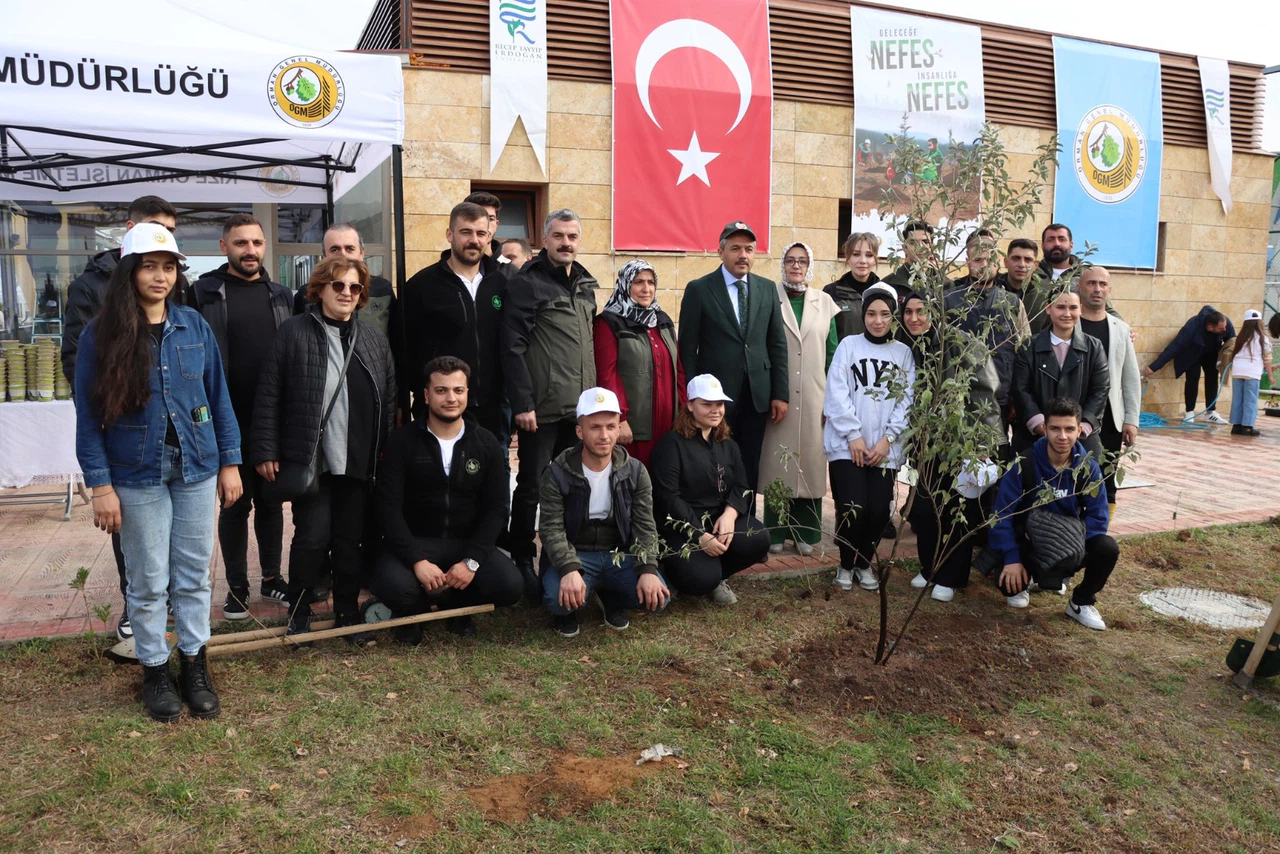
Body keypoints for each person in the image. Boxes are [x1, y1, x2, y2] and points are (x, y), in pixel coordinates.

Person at [74, 223, 242, 722]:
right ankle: (154, 670)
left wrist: (230, 462)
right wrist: (100, 485)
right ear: (129, 271)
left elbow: (219, 398)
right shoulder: (99, 335)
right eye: (149, 265)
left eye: (168, 267)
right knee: (148, 581)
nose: (160, 276)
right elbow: (87, 415)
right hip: (136, 472)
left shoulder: (194, 326)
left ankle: (194, 665)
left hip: (196, 466)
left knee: (192, 576)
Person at [250, 256, 397, 638]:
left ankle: (347, 614)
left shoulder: (373, 338)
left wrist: (386, 453)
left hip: (359, 460)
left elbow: (391, 397)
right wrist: (266, 449)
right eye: (339, 285)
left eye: (355, 287)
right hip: (312, 459)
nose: (347, 293)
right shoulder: (293, 332)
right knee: (312, 538)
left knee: (350, 542)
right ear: (320, 289)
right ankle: (299, 613)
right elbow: (269, 393)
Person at [61, 195, 178, 642]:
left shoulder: (170, 284)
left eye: (168, 228)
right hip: (124, 424)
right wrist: (108, 411)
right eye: (152, 225)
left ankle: (165, 600)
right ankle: (137, 603)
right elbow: (78, 359)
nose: (161, 235)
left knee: (169, 526)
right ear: (129, 228)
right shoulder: (93, 286)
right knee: (133, 526)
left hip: (169, 426)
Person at [370, 356, 522, 642]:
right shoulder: (402, 442)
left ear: (467, 393)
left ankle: (458, 606)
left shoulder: (486, 442)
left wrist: (472, 562)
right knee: (394, 585)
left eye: (458, 390)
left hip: (465, 543)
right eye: (441, 390)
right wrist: (417, 561)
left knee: (509, 585)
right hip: (414, 542)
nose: (451, 398)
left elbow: (494, 510)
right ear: (427, 395)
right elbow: (387, 508)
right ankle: (413, 613)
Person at [188, 213, 293, 619]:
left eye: (256, 243)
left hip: (272, 422)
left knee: (271, 504)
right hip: (222, 419)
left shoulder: (283, 295)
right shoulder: (202, 294)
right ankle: (236, 588)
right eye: (241, 243)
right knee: (234, 506)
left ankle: (271, 580)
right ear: (224, 247)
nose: (250, 250)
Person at [503, 209, 599, 591]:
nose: (566, 243)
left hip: (578, 411)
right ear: (545, 239)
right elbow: (512, 347)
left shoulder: (586, 285)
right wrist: (523, 403)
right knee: (531, 487)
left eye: (572, 236)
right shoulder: (527, 284)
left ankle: (559, 559)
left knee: (572, 486)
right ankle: (522, 557)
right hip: (540, 411)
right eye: (558, 236)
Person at [897, 289, 1006, 601]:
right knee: (924, 510)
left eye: (922, 311)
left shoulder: (962, 343)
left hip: (962, 444)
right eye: (909, 312)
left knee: (956, 510)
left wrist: (980, 443)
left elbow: (985, 394)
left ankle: (951, 576)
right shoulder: (909, 345)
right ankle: (929, 568)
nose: (915, 318)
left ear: (936, 313)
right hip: (927, 446)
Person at [539, 388, 669, 638]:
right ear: (580, 431)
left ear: (619, 429)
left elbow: (645, 525)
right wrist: (567, 568)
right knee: (557, 600)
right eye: (595, 427)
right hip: (576, 551)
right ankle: (568, 609)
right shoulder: (556, 472)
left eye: (611, 426)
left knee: (657, 599)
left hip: (618, 554)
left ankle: (609, 595)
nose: (604, 435)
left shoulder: (635, 471)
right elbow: (551, 528)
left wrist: (648, 568)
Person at [677, 221, 789, 501]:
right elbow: (688, 349)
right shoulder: (700, 289)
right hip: (714, 398)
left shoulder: (766, 289)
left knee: (749, 463)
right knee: (715, 461)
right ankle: (716, 521)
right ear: (720, 251)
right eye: (735, 248)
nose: (743, 255)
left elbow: (776, 343)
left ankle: (745, 524)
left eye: (749, 249)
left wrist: (780, 393)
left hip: (756, 394)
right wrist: (690, 396)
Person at [990, 397, 1116, 630]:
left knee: (1107, 548)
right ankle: (1028, 578)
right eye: (1055, 428)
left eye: (1069, 429)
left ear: (1079, 430)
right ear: (1045, 429)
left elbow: (1098, 516)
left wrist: (1073, 548)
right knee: (1010, 588)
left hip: (1069, 544)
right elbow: (1002, 514)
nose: (1062, 436)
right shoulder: (1024, 463)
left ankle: (1080, 602)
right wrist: (1012, 558)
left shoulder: (1088, 467)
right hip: (1029, 543)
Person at [823, 283, 915, 592]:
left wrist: (887, 440)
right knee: (852, 507)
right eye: (872, 314)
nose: (878, 321)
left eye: (885, 314)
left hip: (883, 448)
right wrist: (853, 436)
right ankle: (846, 565)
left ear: (894, 317)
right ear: (863, 315)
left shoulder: (902, 353)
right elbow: (836, 392)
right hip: (847, 446)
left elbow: (907, 400)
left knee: (878, 510)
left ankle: (864, 564)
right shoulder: (849, 346)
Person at [650, 374, 771, 603]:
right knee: (700, 579)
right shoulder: (671, 445)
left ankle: (718, 577)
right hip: (682, 527)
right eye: (707, 404)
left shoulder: (728, 443)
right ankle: (680, 574)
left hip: (718, 520)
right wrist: (698, 536)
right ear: (690, 405)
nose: (715, 410)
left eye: (719, 404)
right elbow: (669, 498)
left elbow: (742, 486)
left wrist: (729, 514)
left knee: (758, 538)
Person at [400, 202, 508, 440]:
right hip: (437, 410)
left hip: (491, 410)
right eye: (465, 232)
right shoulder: (421, 286)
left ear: (489, 236)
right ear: (450, 235)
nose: (474, 240)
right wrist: (421, 391)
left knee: (491, 475)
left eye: (481, 233)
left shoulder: (501, 285)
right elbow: (403, 347)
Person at [761, 242, 839, 555]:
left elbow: (833, 351)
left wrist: (833, 398)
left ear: (810, 265)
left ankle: (806, 532)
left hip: (815, 395)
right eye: (791, 260)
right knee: (776, 462)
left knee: (810, 460)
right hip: (777, 396)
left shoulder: (825, 301)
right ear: (783, 264)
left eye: (802, 261)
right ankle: (776, 530)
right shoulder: (769, 298)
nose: (796, 266)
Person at [592, 260, 686, 467]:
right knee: (633, 484)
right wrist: (619, 418)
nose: (646, 289)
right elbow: (606, 375)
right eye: (638, 282)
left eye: (651, 282)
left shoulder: (662, 320)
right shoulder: (609, 322)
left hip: (668, 426)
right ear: (625, 285)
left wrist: (684, 412)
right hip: (633, 429)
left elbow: (678, 369)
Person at [1011, 288, 1109, 454]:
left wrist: (1082, 425)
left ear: (1081, 309)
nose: (1067, 313)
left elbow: (1101, 389)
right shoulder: (1029, 347)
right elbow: (1021, 389)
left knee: (1087, 476)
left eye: (1073, 308)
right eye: (1060, 307)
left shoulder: (1094, 347)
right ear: (1048, 308)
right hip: (1034, 434)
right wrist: (1039, 424)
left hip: (1081, 435)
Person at [945, 230, 1029, 421]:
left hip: (1001, 398)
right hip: (959, 398)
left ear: (998, 261)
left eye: (989, 258)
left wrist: (1017, 395)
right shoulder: (948, 301)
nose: (984, 265)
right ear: (967, 260)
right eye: (978, 259)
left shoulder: (1012, 303)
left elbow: (1024, 351)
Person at [1076, 267, 1140, 513]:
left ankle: (1100, 533)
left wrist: (1131, 419)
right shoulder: (1070, 323)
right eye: (1091, 283)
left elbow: (1130, 377)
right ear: (1080, 288)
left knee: (1106, 479)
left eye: (1103, 284)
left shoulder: (1120, 328)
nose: (1097, 289)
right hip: (1075, 416)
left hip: (1111, 419)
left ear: (1109, 290)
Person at [1143, 305, 1236, 424]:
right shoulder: (1192, 326)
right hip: (1192, 353)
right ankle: (1189, 412)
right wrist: (1154, 366)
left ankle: (1210, 412)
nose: (1224, 330)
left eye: (1225, 327)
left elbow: (1232, 342)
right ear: (1209, 327)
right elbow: (1174, 347)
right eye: (1220, 329)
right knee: (1193, 378)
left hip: (1211, 352)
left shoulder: (1225, 324)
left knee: (1212, 378)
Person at [824, 232, 882, 341]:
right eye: (856, 254)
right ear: (847, 257)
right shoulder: (831, 293)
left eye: (869, 255)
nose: (862, 261)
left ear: (875, 259)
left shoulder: (885, 292)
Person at [1228, 309, 1276, 436]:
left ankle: (1236, 426)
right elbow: (1267, 359)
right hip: (1252, 372)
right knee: (1250, 399)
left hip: (1237, 371)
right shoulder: (1263, 339)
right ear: (1259, 323)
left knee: (1238, 398)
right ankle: (1247, 427)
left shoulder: (1240, 337)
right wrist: (1270, 375)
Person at [999, 238, 1051, 334]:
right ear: (1006, 262)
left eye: (1028, 260)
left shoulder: (1046, 296)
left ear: (1035, 266)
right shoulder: (993, 289)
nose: (1022, 264)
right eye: (1016, 258)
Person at [464, 191, 515, 272]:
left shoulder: (512, 274)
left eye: (490, 219)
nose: (485, 225)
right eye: (477, 218)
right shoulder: (441, 272)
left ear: (496, 224)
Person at [881, 220, 935, 295]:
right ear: (904, 247)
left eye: (925, 242)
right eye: (913, 243)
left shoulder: (945, 284)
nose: (919, 247)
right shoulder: (888, 285)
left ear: (932, 247)